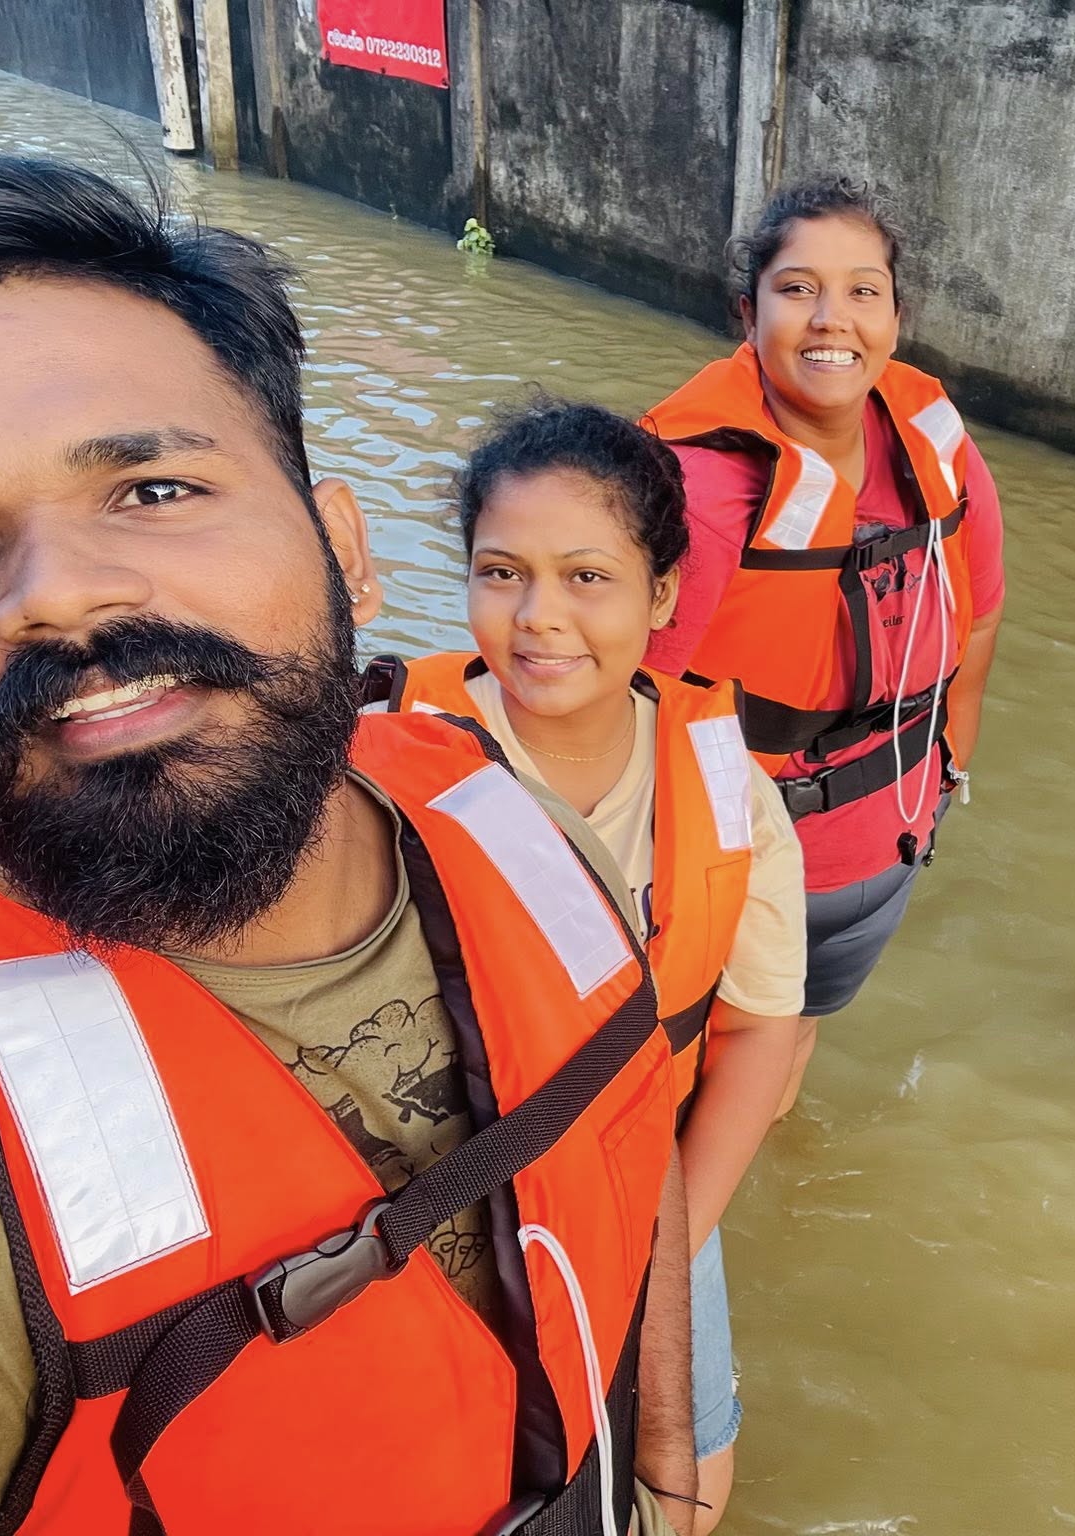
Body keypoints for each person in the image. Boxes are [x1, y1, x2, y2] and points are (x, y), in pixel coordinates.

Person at [0, 152, 697, 1536]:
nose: (55, 595)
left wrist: (668, 1459)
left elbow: (628, 1126)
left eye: (152, 489)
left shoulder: (522, 829)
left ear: (342, 545)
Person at [366, 400, 805, 1535]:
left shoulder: (730, 795)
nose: (539, 618)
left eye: (588, 578)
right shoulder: (379, 756)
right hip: (439, 1199)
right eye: (501, 573)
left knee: (690, 1476)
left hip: (651, 1191)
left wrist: (663, 1246)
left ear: (662, 595)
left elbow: (762, 1030)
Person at [643, 175, 1008, 1110]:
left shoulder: (939, 449)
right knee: (681, 1086)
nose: (831, 319)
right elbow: (619, 709)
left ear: (896, 316)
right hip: (734, 872)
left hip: (884, 849)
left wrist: (946, 771)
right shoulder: (701, 493)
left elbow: (979, 618)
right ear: (748, 312)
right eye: (798, 289)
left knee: (791, 1044)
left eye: (862, 290)